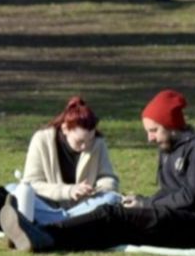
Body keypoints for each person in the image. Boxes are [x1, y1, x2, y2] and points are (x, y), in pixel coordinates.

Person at [0, 90, 195, 253]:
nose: (150, 138)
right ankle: (44, 235)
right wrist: (143, 201)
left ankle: (46, 235)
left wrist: (146, 205)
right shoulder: (169, 149)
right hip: (174, 219)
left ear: (170, 125)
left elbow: (193, 197)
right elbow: (170, 194)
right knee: (115, 224)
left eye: (154, 130)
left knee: (113, 216)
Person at [8, 96, 123, 225]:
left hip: (83, 206)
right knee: (12, 190)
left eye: (90, 140)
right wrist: (69, 191)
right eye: (80, 141)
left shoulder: (98, 143)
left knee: (112, 198)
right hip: (47, 205)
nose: (85, 146)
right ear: (65, 129)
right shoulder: (41, 140)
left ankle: (55, 222)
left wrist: (97, 190)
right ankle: (71, 222)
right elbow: (32, 184)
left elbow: (108, 178)